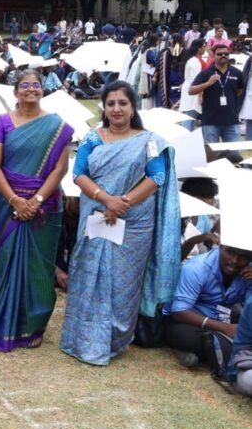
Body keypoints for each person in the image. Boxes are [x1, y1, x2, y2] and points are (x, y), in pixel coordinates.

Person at [61, 81, 181, 365]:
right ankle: (82, 338)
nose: (116, 108)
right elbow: (79, 173)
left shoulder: (149, 140)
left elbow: (157, 177)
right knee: (89, 274)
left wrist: (122, 202)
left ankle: (114, 339)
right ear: (104, 107)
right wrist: (106, 200)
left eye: (122, 103)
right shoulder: (93, 137)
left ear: (133, 107)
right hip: (97, 216)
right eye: (111, 103)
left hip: (135, 223)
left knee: (123, 283)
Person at [0, 70, 74, 351]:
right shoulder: (2, 122)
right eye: (25, 85)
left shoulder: (57, 126)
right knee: (6, 261)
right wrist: (15, 200)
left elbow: (61, 168)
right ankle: (0, 323)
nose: (31, 89)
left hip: (45, 207)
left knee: (39, 266)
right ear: (15, 91)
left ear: (42, 89)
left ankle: (32, 327)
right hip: (10, 205)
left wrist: (37, 200)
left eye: (36, 85)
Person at [164, 244, 251, 371]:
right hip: (188, 323)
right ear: (221, 247)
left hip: (225, 321)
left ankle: (201, 352)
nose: (234, 261)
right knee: (187, 336)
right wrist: (225, 328)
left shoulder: (248, 273)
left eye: (243, 257)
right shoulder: (197, 268)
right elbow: (180, 312)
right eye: (231, 252)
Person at [188, 43, 245, 144]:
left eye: (226, 54)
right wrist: (208, 83)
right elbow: (191, 91)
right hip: (211, 121)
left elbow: (239, 91)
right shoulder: (206, 73)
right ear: (213, 56)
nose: (223, 55)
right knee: (212, 156)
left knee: (234, 155)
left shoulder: (237, 73)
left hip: (232, 121)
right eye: (219, 54)